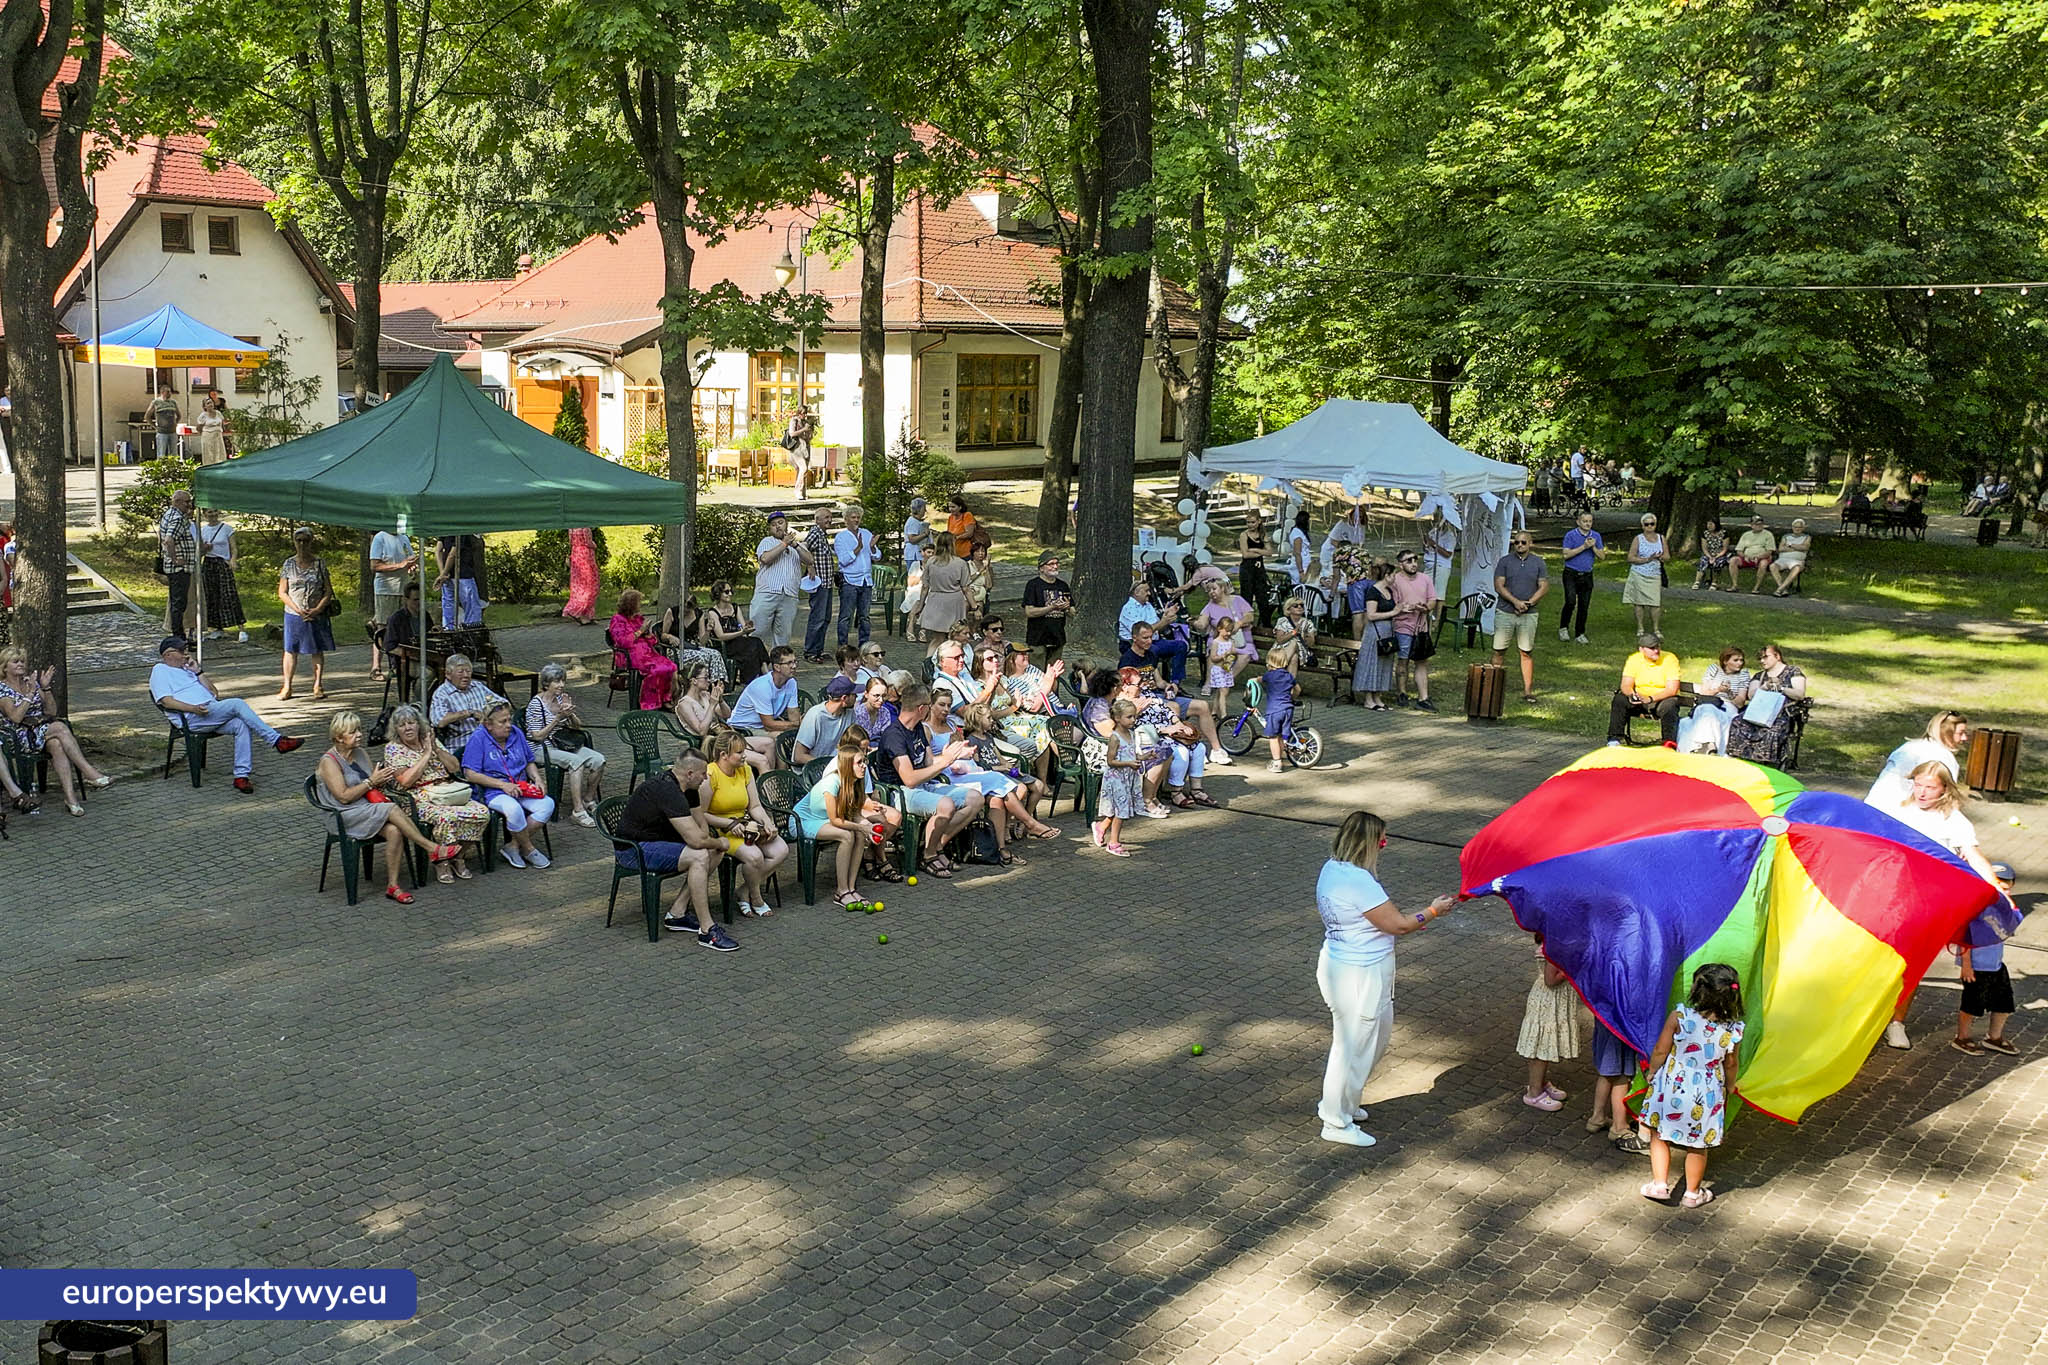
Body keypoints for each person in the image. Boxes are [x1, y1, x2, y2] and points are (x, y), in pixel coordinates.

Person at [1314, 810, 1458, 1147]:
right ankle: (1334, 1120)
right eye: (1381, 838)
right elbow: (1399, 925)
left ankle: (1345, 1105)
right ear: (1366, 842)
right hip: (1358, 975)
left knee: (1372, 1041)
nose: (1385, 844)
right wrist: (1434, 910)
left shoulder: (1332, 868)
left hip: (1352, 969)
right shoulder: (1358, 881)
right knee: (1351, 1048)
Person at [1879, 762, 2005, 1049]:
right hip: (1890, 897)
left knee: (1910, 967)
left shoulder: (1954, 821)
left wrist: (1998, 889)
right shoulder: (1897, 810)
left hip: (1927, 905)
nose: (1922, 792)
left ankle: (1896, 1023)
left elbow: (1973, 856)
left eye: (1930, 787)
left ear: (1945, 788)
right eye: (1918, 784)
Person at [314, 710, 461, 904]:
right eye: (353, 732)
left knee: (394, 831)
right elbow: (343, 797)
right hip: (343, 815)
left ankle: (393, 886)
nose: (359, 734)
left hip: (366, 808)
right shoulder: (329, 762)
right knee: (391, 808)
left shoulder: (359, 753)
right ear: (339, 738)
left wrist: (380, 779)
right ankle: (431, 847)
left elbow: (371, 783)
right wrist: (370, 781)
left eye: (359, 730)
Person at [1640, 963, 1744, 1208]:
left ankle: (1659, 1184)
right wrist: (1730, 1086)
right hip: (1707, 1090)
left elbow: (1661, 1049)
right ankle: (1692, 1193)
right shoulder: (1733, 1030)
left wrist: (1652, 1070)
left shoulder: (1680, 1017)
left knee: (1659, 1133)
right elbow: (1731, 1063)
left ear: (1698, 991)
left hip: (1673, 1083)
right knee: (1698, 1144)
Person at [149, 636, 303, 793]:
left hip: (210, 712)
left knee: (240, 724)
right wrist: (192, 708)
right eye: (181, 650)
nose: (186, 654)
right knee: (237, 703)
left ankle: (241, 777)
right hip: (192, 717)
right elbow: (166, 701)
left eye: (186, 649)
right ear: (168, 654)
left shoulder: (187, 670)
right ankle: (276, 740)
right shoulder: (160, 670)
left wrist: (198, 671)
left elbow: (214, 693)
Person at [616, 749, 737, 949]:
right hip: (633, 850)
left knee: (713, 852)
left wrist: (713, 844)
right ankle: (707, 931)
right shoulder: (666, 790)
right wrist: (719, 842)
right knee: (700, 854)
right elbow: (697, 841)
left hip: (658, 843)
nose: (706, 778)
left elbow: (702, 830)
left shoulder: (690, 789)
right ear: (689, 773)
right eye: (703, 773)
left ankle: (677, 913)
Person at [876, 683, 985, 878]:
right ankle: (928, 855)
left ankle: (935, 845)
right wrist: (944, 762)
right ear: (921, 708)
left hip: (924, 785)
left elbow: (928, 762)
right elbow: (909, 779)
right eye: (928, 704)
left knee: (975, 798)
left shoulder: (918, 728)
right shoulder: (894, 735)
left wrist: (950, 756)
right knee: (946, 805)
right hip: (900, 792)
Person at [382, 704, 490, 882]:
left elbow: (455, 767)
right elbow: (406, 781)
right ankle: (442, 861)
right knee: (446, 818)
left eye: (411, 723)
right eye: (402, 725)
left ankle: (458, 856)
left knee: (482, 813)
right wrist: (426, 755)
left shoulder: (430, 739)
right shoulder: (393, 749)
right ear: (396, 730)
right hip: (417, 797)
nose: (408, 728)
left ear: (419, 724)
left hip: (447, 791)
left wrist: (436, 749)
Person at [0, 647, 113, 816]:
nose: (21, 664)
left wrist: (45, 688)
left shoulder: (30, 682)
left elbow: (51, 712)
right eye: (15, 661)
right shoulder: (3, 689)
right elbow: (15, 718)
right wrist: (29, 695)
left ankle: (71, 799)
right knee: (59, 727)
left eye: (22, 661)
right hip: (18, 735)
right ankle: (89, 773)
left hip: (42, 731)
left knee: (57, 744)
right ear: (4, 667)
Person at [796, 733, 895, 908]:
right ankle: (841, 891)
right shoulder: (832, 783)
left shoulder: (856, 782)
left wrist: (867, 827)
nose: (864, 766)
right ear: (847, 765)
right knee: (847, 835)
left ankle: (851, 887)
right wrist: (861, 827)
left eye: (864, 761)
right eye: (859, 762)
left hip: (826, 820)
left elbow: (855, 814)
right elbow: (836, 820)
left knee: (857, 833)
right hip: (804, 820)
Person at [700, 729, 791, 916]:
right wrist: (728, 824)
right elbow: (701, 814)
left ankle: (744, 890)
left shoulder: (745, 770)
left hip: (746, 825)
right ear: (724, 755)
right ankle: (756, 898)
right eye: (740, 752)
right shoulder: (710, 775)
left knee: (781, 850)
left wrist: (767, 822)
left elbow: (755, 806)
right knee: (755, 856)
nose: (744, 756)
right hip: (721, 829)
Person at [461, 701, 555, 869]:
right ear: (488, 724)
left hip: (521, 786)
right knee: (513, 809)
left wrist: (538, 779)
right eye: (502, 722)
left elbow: (529, 761)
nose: (508, 725)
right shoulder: (478, 738)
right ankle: (528, 848)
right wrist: (502, 785)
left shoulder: (516, 733)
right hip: (493, 791)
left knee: (548, 804)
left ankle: (513, 846)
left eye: (509, 720)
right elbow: (470, 774)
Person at [525, 663, 606, 827]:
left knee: (599, 760)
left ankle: (588, 799)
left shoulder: (562, 698)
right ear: (547, 684)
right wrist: (557, 718)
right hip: (540, 748)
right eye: (557, 682)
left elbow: (577, 727)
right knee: (576, 762)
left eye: (563, 681)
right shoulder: (536, 704)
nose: (561, 685)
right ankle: (577, 811)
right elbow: (537, 736)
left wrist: (570, 714)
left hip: (562, 745)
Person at [1953, 863, 2020, 1057]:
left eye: (2008, 888)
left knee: (2004, 1003)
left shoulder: (2003, 904)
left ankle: (1994, 1037)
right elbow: (1964, 934)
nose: (2004, 892)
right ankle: (1962, 1037)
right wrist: (1966, 965)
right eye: (2001, 888)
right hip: (1976, 965)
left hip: (1995, 963)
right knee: (1972, 1004)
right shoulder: (1977, 904)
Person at [1515, 937, 1584, 1111]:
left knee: (1542, 1045)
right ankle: (1534, 1093)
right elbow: (1551, 980)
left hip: (1552, 999)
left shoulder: (1555, 940)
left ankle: (1539, 1083)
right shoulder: (1555, 945)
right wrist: (1571, 969)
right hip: (1549, 1000)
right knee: (1541, 1047)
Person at [1866, 710, 1971, 810]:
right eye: (1960, 733)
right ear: (1946, 732)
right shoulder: (1943, 758)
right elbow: (1947, 797)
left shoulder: (1909, 746)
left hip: (1873, 803)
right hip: (1899, 812)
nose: (1964, 738)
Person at [277, 528, 336, 701]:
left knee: (316, 649)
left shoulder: (319, 563)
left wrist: (318, 609)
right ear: (294, 542)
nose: (302, 544)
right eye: (299, 540)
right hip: (294, 613)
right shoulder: (288, 564)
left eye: (305, 540)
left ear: (311, 542)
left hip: (316, 613)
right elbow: (282, 592)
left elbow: (328, 591)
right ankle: (287, 686)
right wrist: (296, 609)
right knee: (290, 650)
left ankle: (318, 685)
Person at [1724, 643, 1807, 767]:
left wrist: (1781, 688)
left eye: (1765, 657)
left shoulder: (1793, 672)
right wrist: (1763, 687)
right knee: (1738, 722)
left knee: (1773, 729)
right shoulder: (1760, 676)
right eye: (1760, 658)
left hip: (1782, 714)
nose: (1762, 661)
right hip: (1759, 712)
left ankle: (1766, 762)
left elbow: (1800, 694)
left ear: (1777, 656)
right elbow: (1751, 695)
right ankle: (1739, 758)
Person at [1491, 531, 1549, 702]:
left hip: (1529, 613)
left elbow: (1544, 586)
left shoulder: (1538, 563)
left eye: (1523, 542)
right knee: (1499, 650)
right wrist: (1516, 602)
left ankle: (1528, 691)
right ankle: (1493, 687)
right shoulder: (1505, 561)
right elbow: (1499, 586)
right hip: (1505, 612)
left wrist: (1528, 603)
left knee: (1526, 651)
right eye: (1516, 542)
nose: (1519, 545)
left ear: (1530, 543)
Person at [728, 644, 801, 769]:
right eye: (789, 663)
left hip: (763, 725)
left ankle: (794, 772)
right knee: (780, 737)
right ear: (777, 667)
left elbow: (794, 715)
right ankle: (780, 777)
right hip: (743, 727)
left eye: (794, 661)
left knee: (801, 734)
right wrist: (795, 724)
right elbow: (769, 724)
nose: (793, 666)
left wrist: (798, 725)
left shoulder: (791, 683)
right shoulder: (762, 686)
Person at [1604, 633, 1684, 747]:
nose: (1656, 651)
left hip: (1661, 698)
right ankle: (1614, 739)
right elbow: (1626, 685)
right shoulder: (1634, 660)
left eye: (1658, 647)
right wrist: (1633, 695)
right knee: (1620, 699)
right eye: (1652, 648)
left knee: (1670, 705)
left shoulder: (1670, 658)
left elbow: (1672, 689)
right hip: (1640, 699)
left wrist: (1650, 698)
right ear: (1641, 649)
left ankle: (1668, 742)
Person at [608, 587, 677, 711]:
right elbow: (623, 642)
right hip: (630, 656)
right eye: (638, 602)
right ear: (631, 605)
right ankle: (650, 703)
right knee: (657, 670)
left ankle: (665, 699)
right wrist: (640, 631)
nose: (640, 605)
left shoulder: (638, 619)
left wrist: (647, 634)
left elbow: (653, 641)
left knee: (670, 667)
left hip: (648, 654)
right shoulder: (618, 620)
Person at [1388, 549, 1440, 711]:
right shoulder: (1395, 580)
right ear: (1400, 564)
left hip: (1421, 627)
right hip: (1403, 625)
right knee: (1403, 660)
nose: (1413, 564)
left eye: (1415, 560)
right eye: (1408, 561)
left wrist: (1426, 608)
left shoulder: (1425, 578)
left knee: (1421, 661)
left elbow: (1432, 599)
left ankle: (1423, 697)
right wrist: (1407, 607)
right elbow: (1392, 604)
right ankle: (1401, 692)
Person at [750, 510, 810, 650]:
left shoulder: (797, 546)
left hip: (789, 595)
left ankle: (778, 667)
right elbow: (765, 559)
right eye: (773, 525)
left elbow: (809, 560)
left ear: (786, 524)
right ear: (770, 529)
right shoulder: (767, 541)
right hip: (767, 593)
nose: (777, 526)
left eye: (780, 523)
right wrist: (784, 544)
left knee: (783, 636)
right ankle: (754, 664)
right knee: (756, 631)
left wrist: (794, 545)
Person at [1675, 647, 1751, 756]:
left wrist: (1729, 693)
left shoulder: (1743, 674)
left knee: (1708, 713)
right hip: (1709, 702)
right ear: (1725, 661)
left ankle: (1705, 746)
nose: (1740, 663)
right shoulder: (1714, 669)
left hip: (1728, 707)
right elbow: (1704, 693)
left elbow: (1740, 703)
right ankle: (1709, 745)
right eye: (1736, 660)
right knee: (1698, 715)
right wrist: (1718, 690)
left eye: (1741, 660)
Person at [1348, 557, 1397, 709]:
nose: (1395, 578)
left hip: (1388, 630)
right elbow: (1370, 615)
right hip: (1375, 631)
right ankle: (1368, 698)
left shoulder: (1389, 591)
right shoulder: (1373, 591)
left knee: (1384, 663)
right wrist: (1393, 612)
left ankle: (1378, 696)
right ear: (1387, 575)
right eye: (1393, 574)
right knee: (1372, 663)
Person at [429, 653, 505, 751]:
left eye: (468, 671)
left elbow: (504, 704)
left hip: (488, 737)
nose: (466, 675)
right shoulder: (442, 694)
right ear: (448, 674)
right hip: (463, 743)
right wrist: (469, 713)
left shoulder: (477, 686)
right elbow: (439, 721)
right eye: (460, 672)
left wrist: (488, 714)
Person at [368, 527, 414, 676]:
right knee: (383, 629)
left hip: (404, 590)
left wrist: (411, 566)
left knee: (402, 628)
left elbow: (409, 559)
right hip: (386, 589)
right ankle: (376, 667)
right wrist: (399, 565)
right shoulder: (380, 537)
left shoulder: (404, 537)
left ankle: (397, 664)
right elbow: (374, 566)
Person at [196, 507, 246, 643]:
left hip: (222, 563)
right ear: (205, 515)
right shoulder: (203, 530)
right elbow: (199, 552)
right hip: (208, 564)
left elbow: (234, 548)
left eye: (214, 511)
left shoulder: (226, 529)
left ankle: (241, 629)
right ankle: (217, 627)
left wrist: (233, 560)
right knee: (211, 596)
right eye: (209, 512)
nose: (212, 514)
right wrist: (204, 549)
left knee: (229, 594)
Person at [704, 580, 768, 682]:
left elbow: (743, 627)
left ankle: (763, 674)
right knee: (754, 645)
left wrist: (747, 628)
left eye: (731, 591)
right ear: (718, 594)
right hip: (726, 644)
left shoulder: (735, 607)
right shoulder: (713, 612)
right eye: (726, 592)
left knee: (756, 642)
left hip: (739, 641)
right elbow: (721, 636)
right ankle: (763, 675)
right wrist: (741, 633)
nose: (730, 594)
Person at [799, 503, 838, 662]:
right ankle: (810, 652)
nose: (830, 520)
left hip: (827, 584)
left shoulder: (822, 534)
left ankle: (818, 650)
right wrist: (809, 566)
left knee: (826, 618)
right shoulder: (815, 533)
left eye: (830, 517)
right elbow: (803, 548)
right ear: (817, 520)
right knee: (817, 618)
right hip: (819, 584)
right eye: (826, 518)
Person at [1556, 511, 1603, 645]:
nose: (1588, 524)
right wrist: (1583, 547)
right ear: (1578, 522)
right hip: (1571, 573)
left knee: (1584, 605)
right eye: (1585, 521)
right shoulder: (1570, 535)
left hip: (1587, 575)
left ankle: (1580, 633)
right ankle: (1563, 627)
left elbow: (1602, 556)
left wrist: (1593, 546)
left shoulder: (1596, 536)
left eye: (1590, 521)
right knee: (1570, 601)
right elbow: (1566, 555)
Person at [835, 503, 878, 646]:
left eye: (858, 517)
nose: (856, 520)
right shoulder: (841, 538)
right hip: (849, 581)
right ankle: (843, 645)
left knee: (864, 616)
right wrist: (858, 549)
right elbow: (843, 561)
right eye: (853, 517)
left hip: (866, 581)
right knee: (846, 616)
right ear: (846, 519)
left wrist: (871, 547)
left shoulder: (866, 533)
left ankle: (864, 645)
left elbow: (877, 556)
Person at [158, 489, 198, 639]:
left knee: (178, 601)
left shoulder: (169, 514)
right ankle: (178, 635)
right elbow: (169, 540)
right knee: (179, 603)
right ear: (177, 502)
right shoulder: (177, 518)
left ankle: (178, 634)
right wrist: (175, 559)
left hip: (177, 567)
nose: (189, 505)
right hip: (179, 568)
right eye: (186, 502)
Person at [794, 675, 859, 764]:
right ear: (844, 698)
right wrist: (826, 765)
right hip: (812, 768)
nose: (857, 697)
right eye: (854, 694)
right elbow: (799, 756)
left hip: (838, 765)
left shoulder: (850, 713)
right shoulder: (815, 716)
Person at [1623, 513, 1667, 635]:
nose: (1649, 527)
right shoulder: (1638, 539)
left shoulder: (1661, 538)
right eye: (1646, 524)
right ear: (1642, 526)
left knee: (1655, 602)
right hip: (1639, 573)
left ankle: (1656, 629)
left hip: (1654, 574)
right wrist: (1647, 559)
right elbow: (1630, 557)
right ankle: (1640, 628)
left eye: (1652, 524)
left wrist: (1660, 557)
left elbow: (1667, 556)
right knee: (1639, 602)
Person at [918, 537, 970, 639]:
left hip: (936, 599)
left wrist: (920, 606)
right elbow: (966, 588)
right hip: (954, 601)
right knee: (956, 637)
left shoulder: (931, 562)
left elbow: (925, 586)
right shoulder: (960, 563)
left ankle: (932, 655)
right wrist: (975, 606)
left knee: (937, 639)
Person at [1260, 644, 1300, 774]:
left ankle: (1277, 762)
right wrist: (1292, 696)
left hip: (1274, 710)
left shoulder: (1269, 675)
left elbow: (1259, 680)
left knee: (1273, 737)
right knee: (1282, 736)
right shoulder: (1288, 676)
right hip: (1288, 709)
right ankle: (1281, 757)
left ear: (1269, 662)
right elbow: (1298, 689)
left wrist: (1253, 680)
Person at [434, 533, 486, 628]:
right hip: (464, 576)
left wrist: (442, 573)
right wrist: (444, 573)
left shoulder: (445, 528)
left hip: (448, 578)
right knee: (472, 610)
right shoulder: (462, 530)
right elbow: (453, 554)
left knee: (448, 610)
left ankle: (449, 632)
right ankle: (471, 634)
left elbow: (438, 550)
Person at [672, 660, 731, 739]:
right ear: (694, 681)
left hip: (721, 736)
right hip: (708, 742)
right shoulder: (684, 704)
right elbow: (701, 731)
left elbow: (726, 715)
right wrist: (712, 705)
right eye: (705, 677)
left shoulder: (706, 695)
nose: (709, 680)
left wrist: (720, 700)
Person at [1238, 513, 1274, 628]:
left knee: (1262, 597)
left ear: (1258, 522)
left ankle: (1266, 624)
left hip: (1259, 570)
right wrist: (1260, 552)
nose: (1250, 525)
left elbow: (1269, 552)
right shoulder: (1244, 535)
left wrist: (1255, 550)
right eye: (1248, 522)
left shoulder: (1262, 535)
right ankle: (1246, 623)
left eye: (1253, 522)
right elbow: (1245, 554)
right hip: (1247, 569)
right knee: (1246, 597)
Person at [562, 527, 600, 625]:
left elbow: (571, 541)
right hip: (586, 554)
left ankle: (585, 615)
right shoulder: (585, 527)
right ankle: (581, 613)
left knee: (578, 583)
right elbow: (588, 542)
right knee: (590, 584)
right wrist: (595, 545)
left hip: (575, 554)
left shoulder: (571, 528)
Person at [1732, 515, 1775, 594]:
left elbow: (1769, 551)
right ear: (1751, 525)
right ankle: (1734, 585)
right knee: (1733, 560)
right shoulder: (1746, 535)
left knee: (1763, 563)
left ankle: (1756, 587)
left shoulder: (1768, 535)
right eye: (1756, 524)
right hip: (1747, 558)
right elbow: (1739, 550)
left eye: (1760, 524)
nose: (1759, 526)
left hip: (1762, 558)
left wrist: (1758, 557)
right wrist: (1744, 556)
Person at [1769, 518, 1812, 596]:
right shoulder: (1786, 536)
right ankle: (1783, 589)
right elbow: (1781, 549)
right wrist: (1797, 548)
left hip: (1798, 561)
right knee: (1772, 566)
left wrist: (1790, 545)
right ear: (1792, 527)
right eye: (1795, 527)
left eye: (1799, 527)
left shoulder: (1806, 537)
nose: (1797, 529)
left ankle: (1779, 590)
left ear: (1803, 528)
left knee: (1796, 568)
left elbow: (1805, 548)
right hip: (1783, 559)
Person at [1421, 512, 1459, 600]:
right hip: (1429, 564)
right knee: (1425, 592)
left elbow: (1448, 554)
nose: (1435, 521)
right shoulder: (1433, 532)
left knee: (1438, 594)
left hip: (1441, 566)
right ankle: (1428, 612)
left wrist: (1433, 544)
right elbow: (1427, 548)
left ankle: (1438, 614)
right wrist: (1425, 544)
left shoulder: (1450, 535)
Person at [786, 404, 819, 498]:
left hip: (805, 449)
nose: (805, 415)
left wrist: (810, 431)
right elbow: (792, 433)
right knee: (803, 468)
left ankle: (803, 493)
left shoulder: (805, 422)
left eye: (806, 414)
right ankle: (797, 491)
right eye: (804, 413)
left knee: (802, 471)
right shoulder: (794, 420)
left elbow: (808, 438)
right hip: (796, 449)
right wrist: (803, 429)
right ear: (799, 413)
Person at [1692, 517, 1731, 591]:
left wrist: (1716, 557)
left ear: (1716, 525)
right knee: (1703, 560)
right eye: (1708, 524)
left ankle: (1714, 582)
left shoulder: (1724, 533)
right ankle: (1697, 582)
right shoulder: (1705, 534)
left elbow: (1725, 549)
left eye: (1711, 524)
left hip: (1720, 554)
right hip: (1708, 554)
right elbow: (1704, 548)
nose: (1709, 526)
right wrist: (1709, 556)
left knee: (1718, 562)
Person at [147, 383, 182, 459]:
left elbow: (179, 415)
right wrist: (155, 427)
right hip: (162, 432)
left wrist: (175, 423)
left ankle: (173, 468)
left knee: (174, 453)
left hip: (172, 431)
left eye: (170, 392)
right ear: (162, 392)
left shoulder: (173, 402)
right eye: (168, 392)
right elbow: (147, 416)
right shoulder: (156, 402)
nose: (170, 394)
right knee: (161, 453)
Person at [963, 543, 993, 629]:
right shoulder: (967, 565)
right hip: (967, 594)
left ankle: (974, 630)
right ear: (973, 553)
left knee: (980, 607)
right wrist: (979, 571)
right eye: (977, 551)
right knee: (965, 606)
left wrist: (986, 568)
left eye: (983, 551)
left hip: (979, 595)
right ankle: (964, 628)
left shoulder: (987, 567)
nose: (980, 553)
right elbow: (967, 580)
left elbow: (989, 585)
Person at [1283, 509, 1313, 588]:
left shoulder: (1299, 532)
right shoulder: (1297, 534)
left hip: (1306, 563)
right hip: (1301, 566)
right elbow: (1297, 553)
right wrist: (1301, 571)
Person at [945, 493, 980, 558]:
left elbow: (969, 533)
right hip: (954, 552)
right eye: (949, 507)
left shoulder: (967, 515)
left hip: (966, 552)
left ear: (960, 507)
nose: (950, 509)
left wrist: (956, 537)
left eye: (953, 507)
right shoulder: (951, 517)